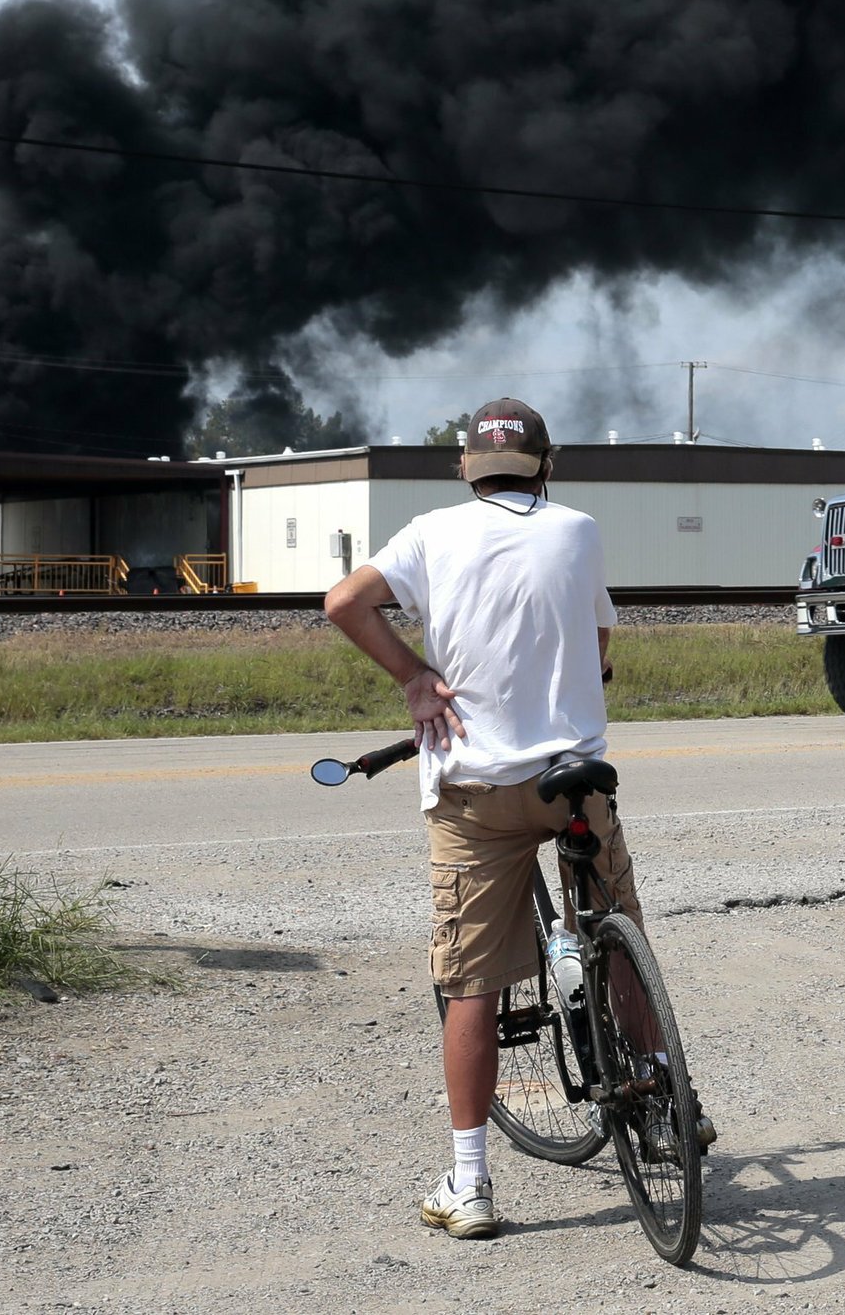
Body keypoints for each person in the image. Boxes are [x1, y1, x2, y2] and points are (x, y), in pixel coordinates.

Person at [321, 397, 636, 1241]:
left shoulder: (432, 532)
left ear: (465, 465)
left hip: (476, 792)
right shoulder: (579, 529)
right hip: (575, 777)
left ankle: (471, 1185)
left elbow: (344, 601)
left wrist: (415, 678)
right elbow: (602, 653)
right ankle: (670, 1096)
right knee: (616, 927)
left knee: (472, 983)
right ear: (546, 464)